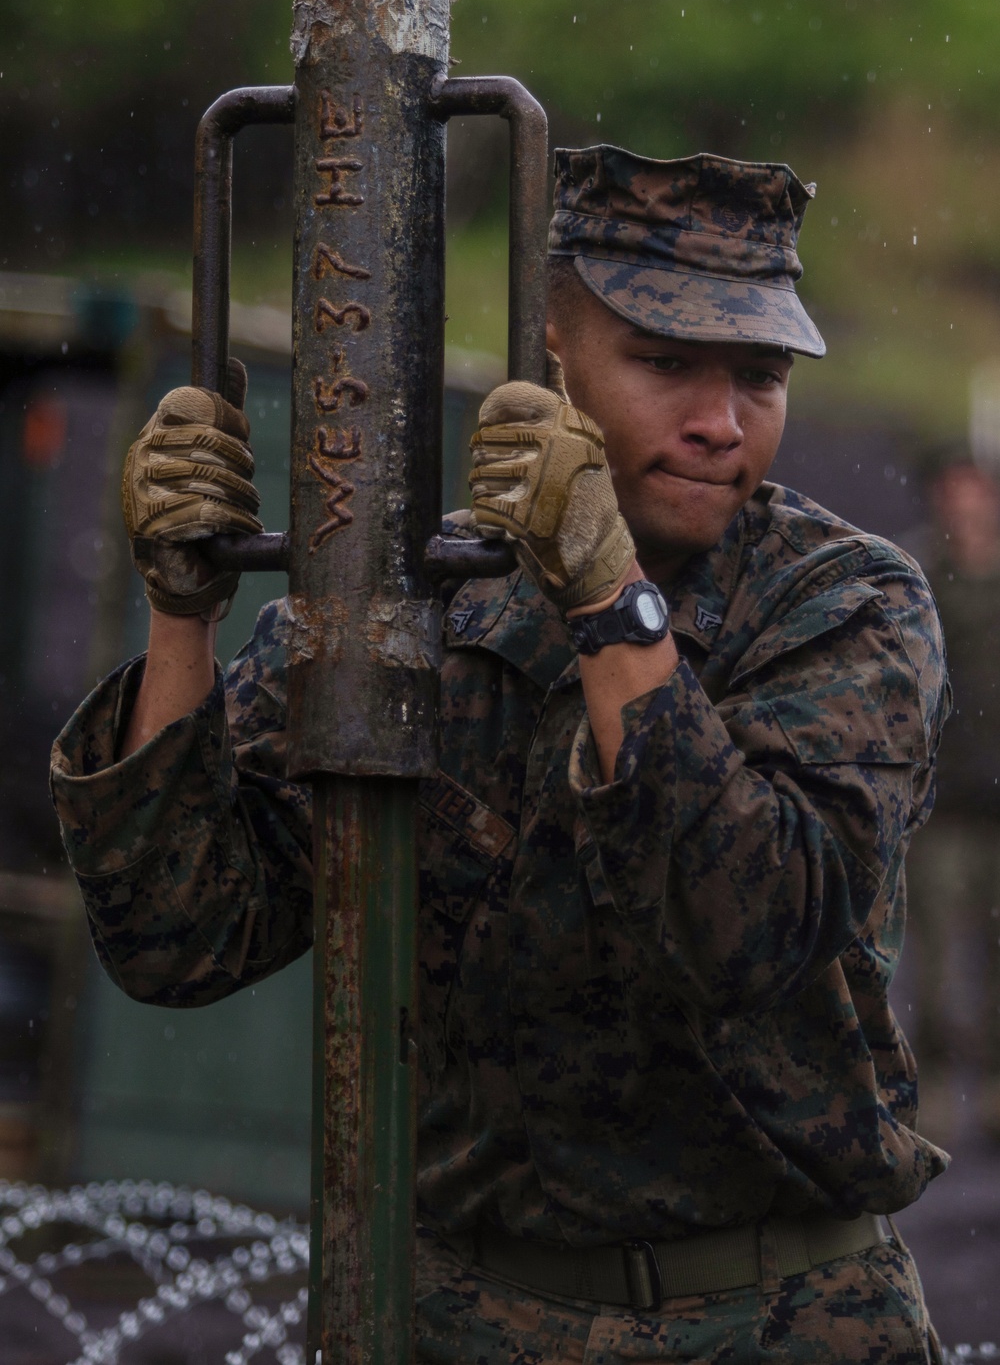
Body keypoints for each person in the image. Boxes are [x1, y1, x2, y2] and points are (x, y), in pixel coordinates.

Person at [51, 147, 949, 1362]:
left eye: (760, 376)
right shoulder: (427, 599)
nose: (719, 423)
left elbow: (752, 936)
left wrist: (607, 602)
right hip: (465, 1314)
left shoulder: (840, 605)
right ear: (551, 362)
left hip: (774, 1313)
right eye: (665, 363)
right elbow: (180, 937)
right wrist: (180, 614)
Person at [903, 454, 1000, 1145]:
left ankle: (994, 1089)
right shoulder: (917, 578)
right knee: (933, 965)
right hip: (942, 807)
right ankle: (934, 1087)